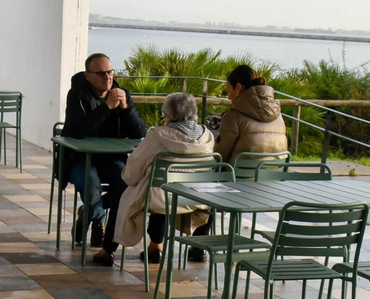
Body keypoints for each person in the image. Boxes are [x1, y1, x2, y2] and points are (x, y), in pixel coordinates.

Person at [99, 91, 214, 266]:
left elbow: (131, 175)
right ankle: (155, 247)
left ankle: (107, 250)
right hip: (194, 198)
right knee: (162, 187)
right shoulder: (207, 136)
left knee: (131, 193)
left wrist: (142, 150)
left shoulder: (157, 136)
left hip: (161, 198)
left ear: (169, 115)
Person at [62, 53, 146, 247]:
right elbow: (78, 131)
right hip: (79, 157)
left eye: (109, 72)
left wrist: (126, 108)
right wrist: (107, 108)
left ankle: (89, 212)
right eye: (100, 73)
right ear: (88, 76)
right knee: (91, 185)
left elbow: (139, 132)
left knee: (128, 185)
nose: (107, 78)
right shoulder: (77, 95)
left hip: (110, 158)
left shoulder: (121, 93)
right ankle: (99, 220)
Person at [215, 64, 289, 161]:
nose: (229, 97)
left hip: (239, 175)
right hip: (274, 173)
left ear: (238, 87)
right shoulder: (278, 114)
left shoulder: (233, 117)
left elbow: (220, 157)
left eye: (229, 91)